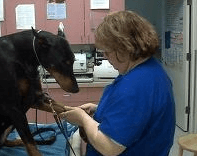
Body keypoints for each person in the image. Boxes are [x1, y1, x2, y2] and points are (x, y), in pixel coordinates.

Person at [60, 10, 176, 156]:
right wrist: (99, 110)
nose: (106, 58)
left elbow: (109, 147)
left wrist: (82, 119)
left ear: (125, 48)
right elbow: (139, 115)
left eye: (107, 52)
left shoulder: (134, 87)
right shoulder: (152, 69)